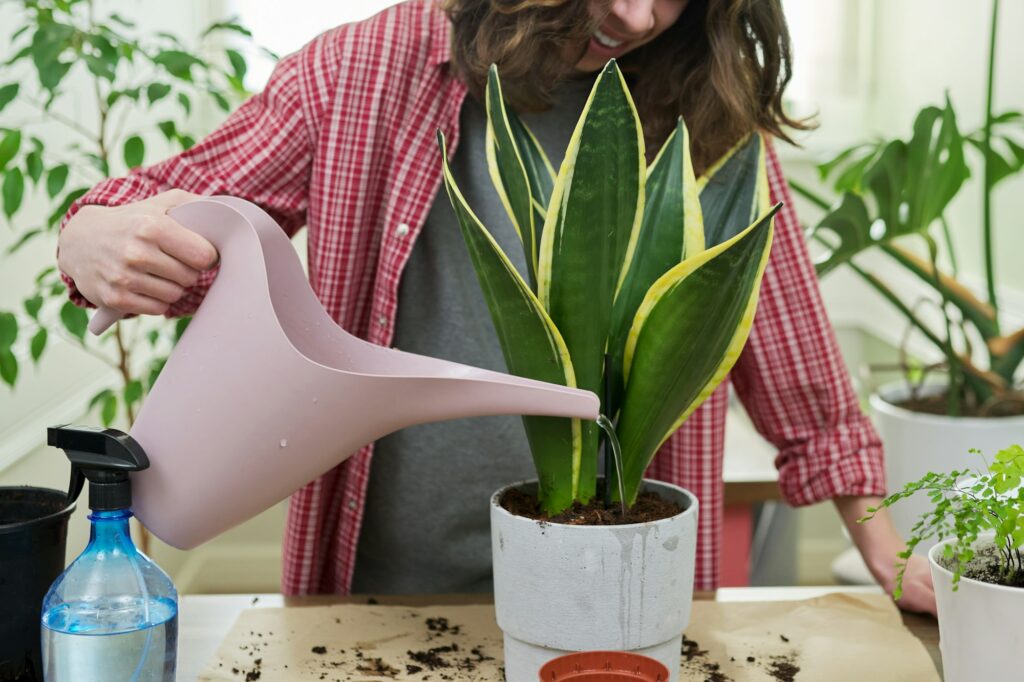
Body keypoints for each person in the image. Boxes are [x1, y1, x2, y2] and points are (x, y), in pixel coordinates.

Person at [56, 0, 936, 613]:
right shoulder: (366, 71)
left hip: (624, 591)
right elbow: (176, 222)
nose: (634, 17)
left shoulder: (709, 120)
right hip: (383, 583)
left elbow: (799, 374)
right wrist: (88, 237)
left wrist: (891, 559)